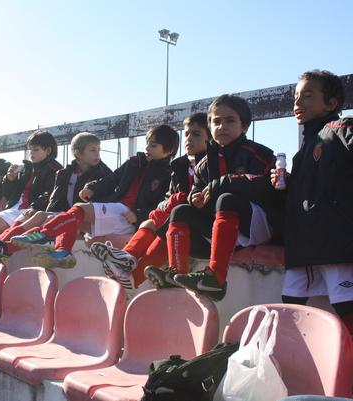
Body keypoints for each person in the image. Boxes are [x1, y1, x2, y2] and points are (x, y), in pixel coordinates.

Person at [160, 94, 282, 301]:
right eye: (216, 121)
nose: (222, 126)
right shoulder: (203, 164)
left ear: (244, 126)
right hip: (224, 229)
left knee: (226, 198)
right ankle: (175, 274)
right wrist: (195, 199)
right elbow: (197, 190)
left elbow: (266, 186)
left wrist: (226, 182)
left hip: (258, 225)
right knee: (180, 211)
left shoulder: (259, 153)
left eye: (230, 121)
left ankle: (215, 279)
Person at [11, 125, 178, 269]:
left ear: (169, 150)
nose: (147, 148)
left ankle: (43, 235)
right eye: (147, 143)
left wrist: (139, 215)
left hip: (129, 217)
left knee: (79, 209)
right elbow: (112, 179)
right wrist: (92, 188)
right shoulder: (135, 162)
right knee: (73, 220)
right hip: (116, 210)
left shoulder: (168, 174)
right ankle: (62, 252)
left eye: (153, 145)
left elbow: (163, 205)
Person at [90, 112, 211, 290]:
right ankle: (128, 260)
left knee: (165, 227)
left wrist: (165, 207)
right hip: (176, 224)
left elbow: (194, 199)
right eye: (186, 133)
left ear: (210, 138)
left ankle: (132, 269)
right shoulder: (180, 166)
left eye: (196, 134)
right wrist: (158, 211)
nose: (189, 138)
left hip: (202, 230)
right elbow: (168, 198)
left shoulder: (212, 163)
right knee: (153, 222)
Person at [279, 70, 353, 335]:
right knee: (289, 307)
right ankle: (296, 357)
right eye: (296, 97)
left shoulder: (341, 128)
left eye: (307, 95)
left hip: (335, 244)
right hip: (303, 249)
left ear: (331, 104)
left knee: (346, 306)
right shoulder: (302, 152)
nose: (298, 102)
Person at [0, 132, 112, 261]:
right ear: (78, 153)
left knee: (51, 219)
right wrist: (45, 212)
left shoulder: (104, 174)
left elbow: (105, 201)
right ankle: (0, 245)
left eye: (98, 150)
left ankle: (7, 248)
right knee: (40, 215)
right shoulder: (65, 173)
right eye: (93, 150)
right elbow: (55, 200)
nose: (98, 154)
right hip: (67, 214)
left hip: (87, 218)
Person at [0, 130, 61, 259]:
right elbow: (8, 193)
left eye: (36, 150)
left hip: (32, 209)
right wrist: (10, 179)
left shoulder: (55, 170)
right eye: (30, 149)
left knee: (15, 225)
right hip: (17, 208)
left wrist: (34, 207)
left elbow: (51, 194)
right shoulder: (27, 168)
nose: (31, 153)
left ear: (48, 151)